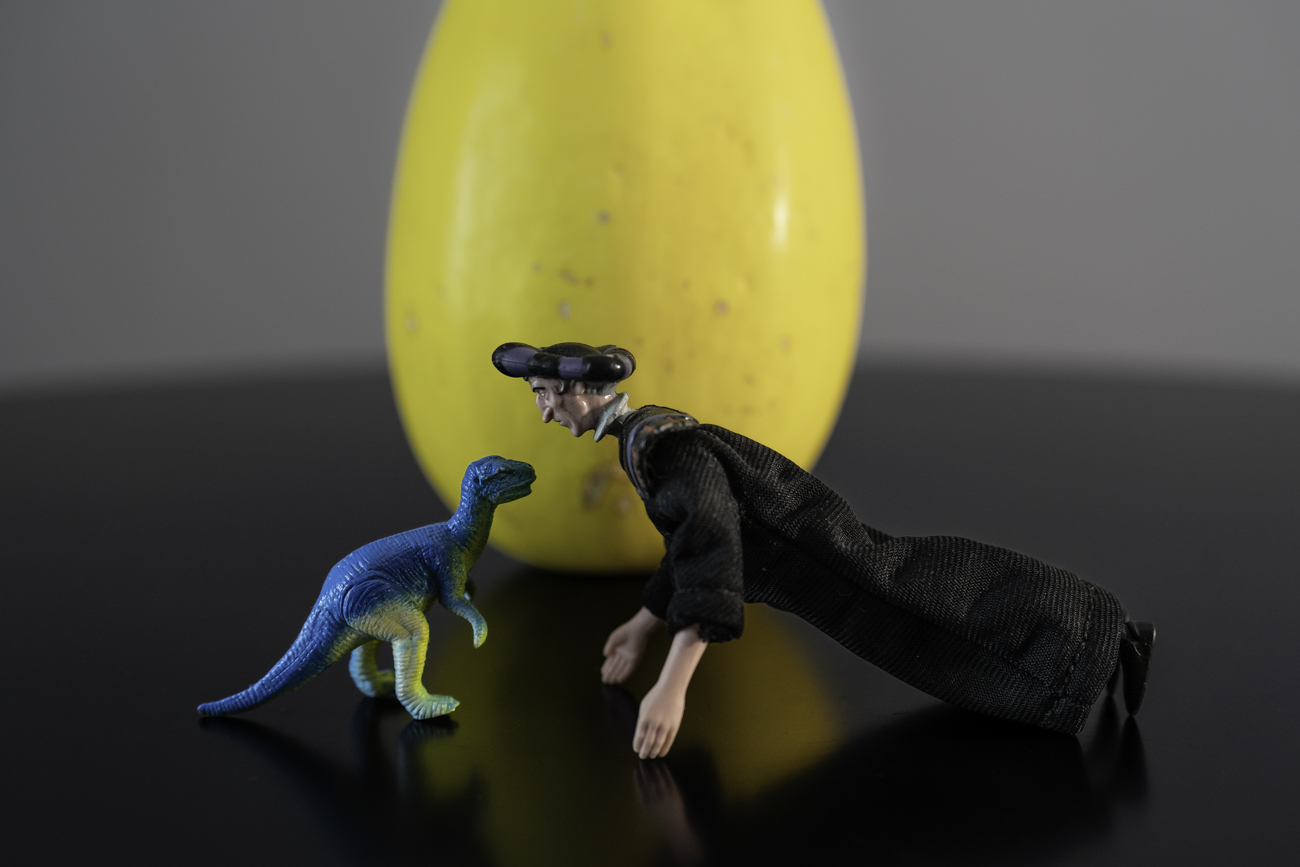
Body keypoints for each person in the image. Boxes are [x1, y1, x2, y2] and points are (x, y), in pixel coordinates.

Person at [492, 341, 1155, 759]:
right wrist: (644, 622)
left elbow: (712, 547)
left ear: (581, 391)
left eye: (547, 396)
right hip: (805, 561)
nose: (545, 412)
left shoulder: (665, 448)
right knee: (912, 616)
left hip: (813, 555)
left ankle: (1091, 641)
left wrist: (673, 685)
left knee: (920, 597)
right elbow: (690, 543)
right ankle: (1085, 650)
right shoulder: (649, 440)